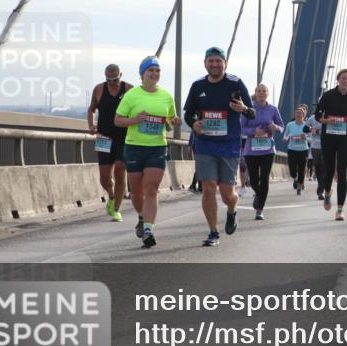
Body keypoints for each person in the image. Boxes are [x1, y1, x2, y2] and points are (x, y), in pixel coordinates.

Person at [183, 46, 256, 247]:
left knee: (227, 194)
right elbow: (188, 114)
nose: (214, 64)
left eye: (218, 61)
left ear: (225, 63)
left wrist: (243, 109)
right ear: (205, 64)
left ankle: (232, 210)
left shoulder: (236, 83)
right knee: (208, 187)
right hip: (205, 144)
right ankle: (213, 231)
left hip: (229, 145)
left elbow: (252, 114)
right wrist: (193, 124)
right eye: (211, 61)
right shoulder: (197, 86)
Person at [113, 56, 179, 248]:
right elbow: (117, 120)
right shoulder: (132, 95)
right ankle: (142, 217)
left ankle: (149, 229)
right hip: (134, 147)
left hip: (157, 147)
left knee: (151, 189)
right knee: (136, 193)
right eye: (151, 70)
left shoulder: (166, 96)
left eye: (157, 70)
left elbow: (170, 120)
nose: (154, 73)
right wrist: (135, 120)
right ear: (142, 74)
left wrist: (174, 121)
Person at [87, 64, 132, 222]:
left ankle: (117, 209)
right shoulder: (99, 89)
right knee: (105, 178)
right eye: (109, 80)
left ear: (121, 75)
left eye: (115, 80)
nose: (112, 83)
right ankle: (111, 196)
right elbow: (91, 109)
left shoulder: (129, 90)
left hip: (123, 137)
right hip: (104, 137)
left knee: (120, 170)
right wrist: (91, 125)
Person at [316, 69, 347, 220]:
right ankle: (328, 192)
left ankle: (340, 210)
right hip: (328, 136)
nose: (345, 81)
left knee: (342, 171)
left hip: (345, 137)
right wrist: (327, 120)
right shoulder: (328, 95)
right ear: (338, 79)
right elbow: (317, 115)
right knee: (329, 171)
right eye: (343, 78)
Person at [241, 83, 284, 219]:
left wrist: (275, 127)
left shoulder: (273, 109)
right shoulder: (248, 109)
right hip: (251, 150)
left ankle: (260, 209)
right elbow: (241, 128)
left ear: (267, 93)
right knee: (254, 180)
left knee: (264, 179)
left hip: (268, 150)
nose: (261, 93)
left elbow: (281, 126)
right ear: (255, 93)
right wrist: (254, 131)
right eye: (259, 91)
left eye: (264, 91)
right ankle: (259, 195)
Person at [284, 105, 312, 195]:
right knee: (292, 170)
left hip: (303, 150)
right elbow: (286, 135)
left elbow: (312, 139)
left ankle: (299, 186)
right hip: (292, 149)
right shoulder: (290, 125)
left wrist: (305, 138)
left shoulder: (306, 126)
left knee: (301, 169)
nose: (298, 115)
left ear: (303, 115)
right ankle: (295, 178)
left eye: (300, 113)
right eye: (297, 113)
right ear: (295, 115)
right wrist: (285, 138)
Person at [305, 112, 326, 200]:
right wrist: (311, 130)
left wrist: (318, 131)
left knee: (324, 169)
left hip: (326, 147)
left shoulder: (330, 117)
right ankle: (320, 187)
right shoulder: (312, 117)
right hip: (315, 147)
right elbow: (305, 129)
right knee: (318, 169)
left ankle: (321, 190)